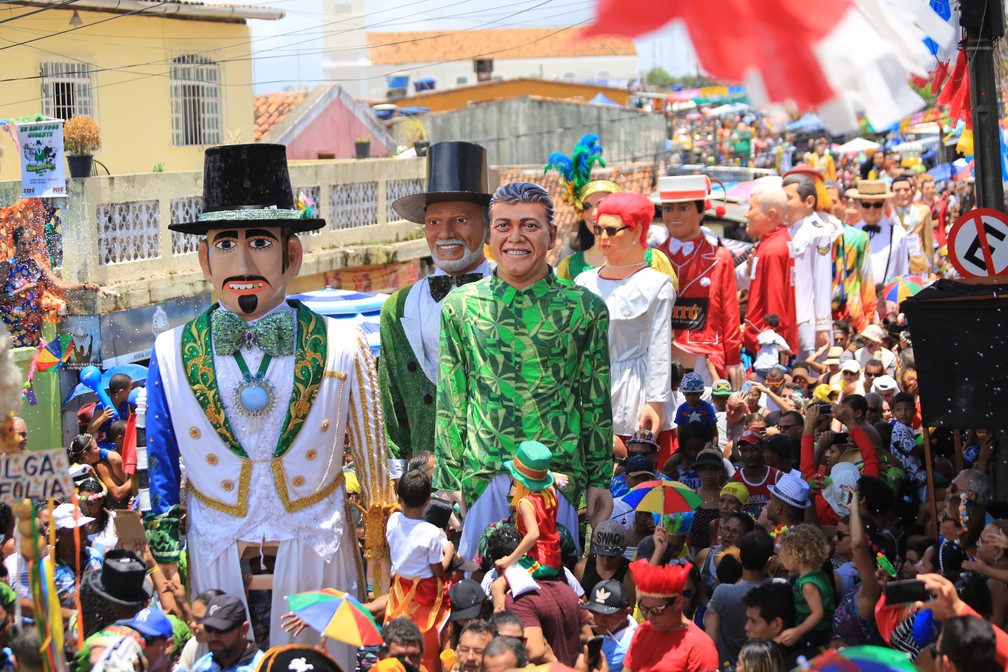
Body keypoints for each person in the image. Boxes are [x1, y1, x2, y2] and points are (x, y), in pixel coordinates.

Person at [145, 144, 395, 664]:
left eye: (260, 242)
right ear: (203, 257)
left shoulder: (344, 344)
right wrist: (165, 555)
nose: (241, 262)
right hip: (216, 557)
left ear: (293, 254)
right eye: (224, 244)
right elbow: (161, 462)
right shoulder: (169, 352)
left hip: (315, 556)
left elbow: (375, 469)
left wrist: (379, 563)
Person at [435, 182, 614, 561]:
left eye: (529, 226)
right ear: (489, 235)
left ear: (551, 235)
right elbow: (452, 401)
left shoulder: (584, 309)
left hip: (557, 481)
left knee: (553, 589)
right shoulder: (461, 307)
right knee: (481, 595)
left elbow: (595, 402)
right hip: (483, 478)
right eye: (503, 226)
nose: (515, 237)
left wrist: (600, 479)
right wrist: (447, 483)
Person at [380, 141, 493, 473]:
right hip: (427, 481)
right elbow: (393, 407)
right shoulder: (398, 309)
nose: (445, 233)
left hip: (500, 476)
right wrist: (399, 482)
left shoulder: (513, 297)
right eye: (433, 222)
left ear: (487, 226)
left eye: (460, 219)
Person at [575, 192, 676, 447]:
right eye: (598, 229)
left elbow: (660, 348)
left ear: (636, 230)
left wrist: (656, 401)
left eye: (611, 230)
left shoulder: (656, 285)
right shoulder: (583, 282)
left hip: (637, 392)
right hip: (589, 391)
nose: (602, 237)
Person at [655, 175, 745, 388]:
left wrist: (733, 358)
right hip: (660, 354)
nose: (675, 215)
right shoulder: (654, 257)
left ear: (700, 211)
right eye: (668, 209)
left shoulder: (719, 257)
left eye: (683, 208)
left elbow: (730, 312)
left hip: (704, 355)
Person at [547, 135, 674, 281]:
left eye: (602, 204)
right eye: (587, 206)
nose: (594, 213)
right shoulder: (570, 266)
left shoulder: (653, 260)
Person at [385, 469, 454, 672]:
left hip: (400, 588)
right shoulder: (432, 533)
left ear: (399, 498)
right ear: (429, 499)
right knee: (433, 638)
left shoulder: (393, 520)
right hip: (426, 593)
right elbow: (437, 570)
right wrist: (448, 552)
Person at [0, 225, 100, 347]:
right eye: (22, 244)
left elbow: (59, 285)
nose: (27, 247)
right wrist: (22, 290)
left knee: (31, 362)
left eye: (29, 243)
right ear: (14, 244)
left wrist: (84, 286)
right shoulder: (6, 266)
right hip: (10, 326)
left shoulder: (37, 265)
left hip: (31, 326)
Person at [491, 441, 563, 611]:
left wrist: (509, 560)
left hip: (540, 559)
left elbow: (533, 535)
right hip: (554, 555)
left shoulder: (525, 502)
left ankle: (501, 621)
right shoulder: (550, 493)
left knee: (497, 586)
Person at [622, 560, 719, 672]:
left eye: (657, 610)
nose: (650, 616)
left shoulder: (700, 647)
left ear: (678, 602)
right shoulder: (642, 631)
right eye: (645, 609)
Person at [738, 178, 797, 359]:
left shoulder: (772, 249)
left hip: (766, 347)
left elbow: (775, 303)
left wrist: (773, 343)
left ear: (771, 215)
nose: (746, 214)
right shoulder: (775, 242)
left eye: (751, 208)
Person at [781, 172, 834, 362]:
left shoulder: (819, 232)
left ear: (809, 201)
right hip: (788, 316)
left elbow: (822, 280)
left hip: (808, 319)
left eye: (788, 198)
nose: (782, 203)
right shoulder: (786, 229)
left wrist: (822, 325)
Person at [705, 531, 775, 670]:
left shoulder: (723, 593)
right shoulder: (779, 589)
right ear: (769, 561)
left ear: (740, 557)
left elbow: (709, 640)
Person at [775, 524, 834, 650]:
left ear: (798, 555)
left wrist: (798, 631)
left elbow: (818, 613)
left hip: (814, 635)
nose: (781, 560)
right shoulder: (818, 573)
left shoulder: (808, 584)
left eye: (784, 555)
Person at [849, 180, 909, 284]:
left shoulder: (898, 234)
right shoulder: (851, 233)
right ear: (858, 205)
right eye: (866, 205)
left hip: (887, 297)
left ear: (885, 205)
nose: (871, 210)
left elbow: (903, 272)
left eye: (877, 204)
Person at [191, 595, 263, 672]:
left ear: (244, 629)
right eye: (209, 628)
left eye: (221, 629)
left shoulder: (263, 667)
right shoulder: (201, 666)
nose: (213, 636)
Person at [575, 520, 634, 608]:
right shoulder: (581, 568)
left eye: (612, 557)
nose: (606, 561)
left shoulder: (630, 574)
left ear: (624, 549)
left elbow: (631, 610)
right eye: (602, 555)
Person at [585, 579, 637, 672]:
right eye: (596, 613)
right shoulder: (629, 622)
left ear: (626, 612)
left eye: (608, 615)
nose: (600, 621)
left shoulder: (621, 651)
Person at [731, 429, 781, 520]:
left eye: (754, 449)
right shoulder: (734, 480)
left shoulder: (777, 477)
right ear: (740, 452)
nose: (750, 455)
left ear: (763, 449)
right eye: (745, 450)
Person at [891, 175, 933, 274]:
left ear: (912, 191)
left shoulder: (924, 210)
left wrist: (930, 265)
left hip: (919, 266)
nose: (902, 193)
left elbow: (928, 241)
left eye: (906, 190)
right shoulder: (887, 213)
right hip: (895, 267)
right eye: (897, 190)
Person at [178, 589, 225, 671]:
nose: (193, 625)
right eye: (193, 618)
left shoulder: (232, 652)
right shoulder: (192, 645)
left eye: (199, 620)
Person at [751, 316, 792, 381]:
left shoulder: (759, 336)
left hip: (758, 369)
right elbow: (790, 353)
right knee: (789, 370)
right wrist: (782, 350)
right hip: (772, 369)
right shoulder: (776, 337)